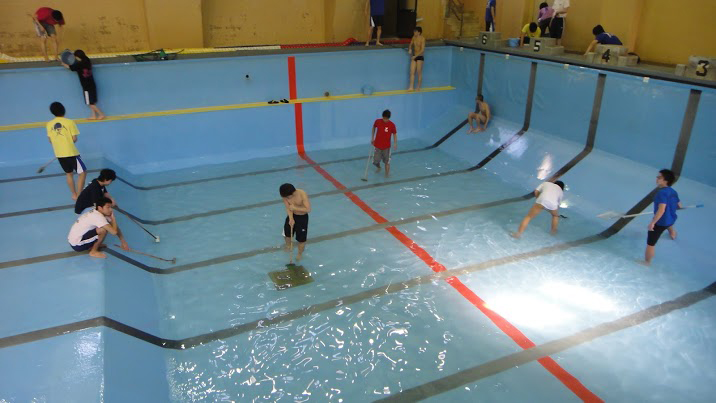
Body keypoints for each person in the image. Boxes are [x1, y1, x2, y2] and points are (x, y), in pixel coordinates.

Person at [46, 102, 86, 201]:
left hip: (59, 154)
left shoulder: (49, 124)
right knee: (83, 173)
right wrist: (68, 142)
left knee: (69, 173)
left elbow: (50, 140)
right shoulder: (69, 122)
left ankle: (74, 194)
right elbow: (74, 138)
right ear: (64, 110)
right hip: (71, 153)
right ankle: (80, 195)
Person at [643, 169, 681, 266]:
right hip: (671, 219)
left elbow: (661, 210)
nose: (657, 179)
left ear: (665, 181)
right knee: (668, 223)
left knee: (650, 244)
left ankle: (647, 262)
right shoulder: (673, 191)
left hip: (661, 222)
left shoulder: (661, 193)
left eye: (659, 177)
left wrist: (653, 222)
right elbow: (679, 205)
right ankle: (672, 232)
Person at [61, 50, 106, 120]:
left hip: (86, 87)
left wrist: (64, 64)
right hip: (92, 84)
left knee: (90, 103)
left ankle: (101, 114)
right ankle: (93, 115)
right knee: (91, 102)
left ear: (78, 57)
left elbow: (70, 67)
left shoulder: (79, 65)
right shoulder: (87, 60)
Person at [280, 183, 311, 262]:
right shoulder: (285, 195)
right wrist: (291, 218)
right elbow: (288, 207)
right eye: (285, 197)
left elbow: (308, 209)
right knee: (287, 234)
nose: (286, 198)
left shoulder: (302, 194)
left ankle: (299, 254)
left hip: (302, 217)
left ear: (293, 193)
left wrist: (295, 207)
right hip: (292, 215)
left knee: (301, 240)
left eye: (288, 197)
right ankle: (288, 246)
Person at [371, 109, 398, 177]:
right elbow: (374, 127)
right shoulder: (377, 121)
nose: (384, 120)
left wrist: (395, 143)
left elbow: (394, 134)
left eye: (386, 119)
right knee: (375, 162)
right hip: (377, 145)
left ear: (389, 118)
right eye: (384, 118)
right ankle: (379, 167)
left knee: (387, 162)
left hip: (386, 147)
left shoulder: (392, 125)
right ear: (382, 116)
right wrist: (372, 138)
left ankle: (387, 175)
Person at [408, 27, 425, 91]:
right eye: (414, 31)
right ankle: (411, 87)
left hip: (420, 57)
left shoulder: (422, 39)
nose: (414, 32)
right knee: (412, 72)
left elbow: (422, 50)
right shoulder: (413, 37)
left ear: (419, 32)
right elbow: (410, 44)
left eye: (415, 31)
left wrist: (415, 56)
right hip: (414, 56)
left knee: (419, 72)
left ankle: (418, 87)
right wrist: (409, 49)